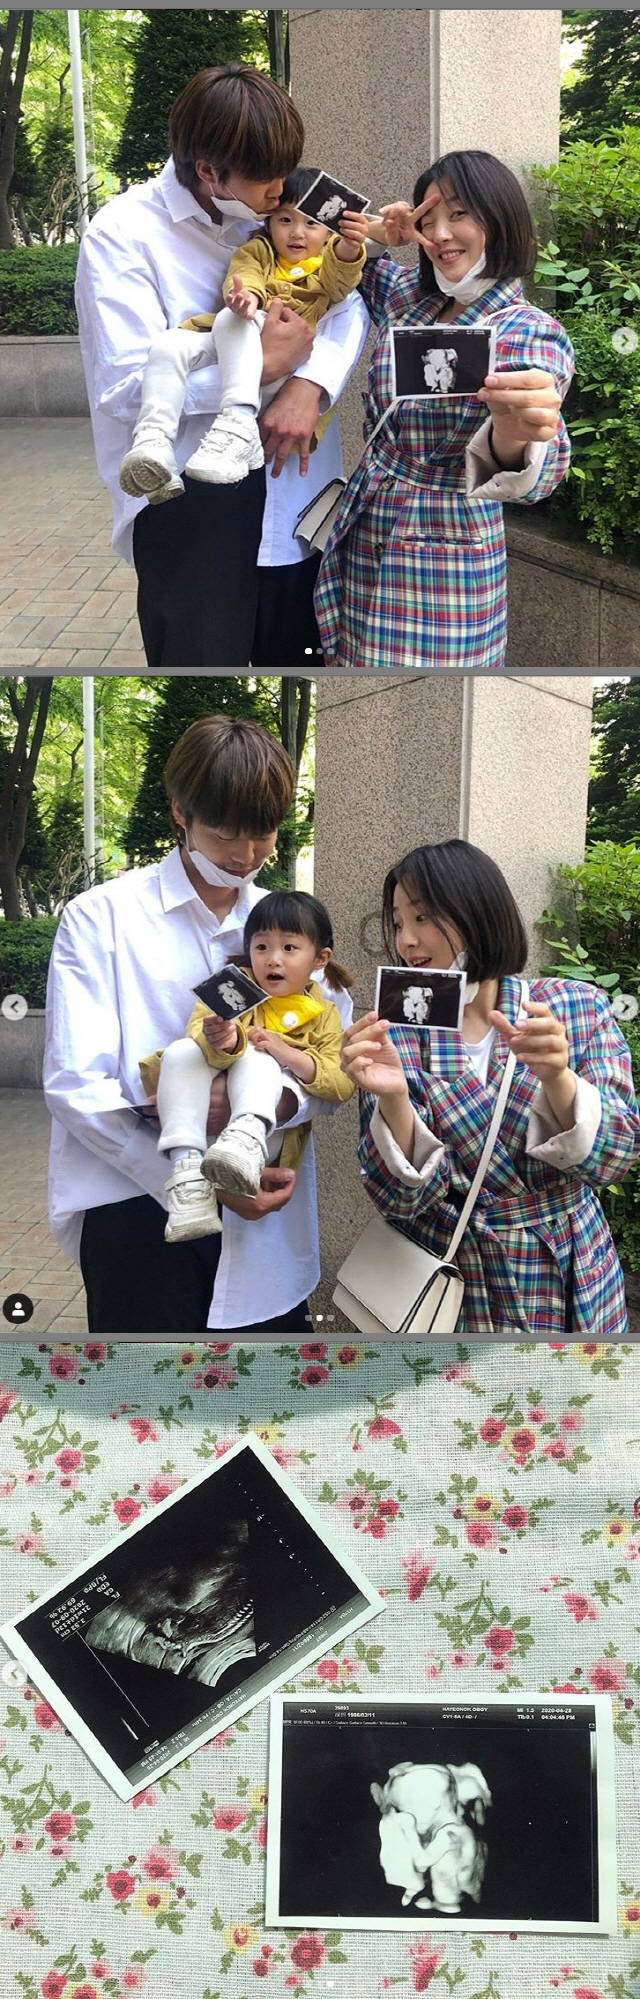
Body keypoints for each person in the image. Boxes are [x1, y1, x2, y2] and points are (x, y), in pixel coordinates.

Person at [43, 716, 353, 1337]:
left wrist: (273, 1102)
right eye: (225, 832)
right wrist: (185, 1182)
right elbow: (75, 1084)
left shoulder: (289, 926)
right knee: (151, 1391)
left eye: (262, 832)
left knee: (269, 1387)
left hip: (266, 1214)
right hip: (136, 1206)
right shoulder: (101, 919)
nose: (245, 854)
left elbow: (332, 1068)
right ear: (181, 812)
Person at [74, 65, 369, 673]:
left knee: (299, 658)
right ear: (209, 172)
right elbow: (124, 390)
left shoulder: (276, 213)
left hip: (298, 497)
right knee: (201, 660)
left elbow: (346, 302)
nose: (283, 194)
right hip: (188, 503)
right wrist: (261, 370)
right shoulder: (124, 235)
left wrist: (308, 383)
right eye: (268, 181)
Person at [340, 839, 640, 1336]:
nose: (406, 940)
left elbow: (618, 1158)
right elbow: (399, 1201)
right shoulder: (396, 1033)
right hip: (457, 1282)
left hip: (570, 1268)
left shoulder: (573, 1006)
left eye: (423, 917)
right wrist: (392, 1098)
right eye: (397, 923)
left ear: (477, 912)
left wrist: (559, 1078)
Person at [314, 151, 575, 672]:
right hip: (366, 521)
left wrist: (517, 430)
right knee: (345, 662)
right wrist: (380, 231)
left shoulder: (529, 331)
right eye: (427, 220)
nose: (439, 234)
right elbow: (353, 260)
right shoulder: (413, 298)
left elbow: (537, 460)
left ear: (499, 217)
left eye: (458, 214)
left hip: (442, 559)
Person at [119, 168, 366, 495]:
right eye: (285, 220)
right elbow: (244, 274)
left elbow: (341, 283)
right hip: (237, 339)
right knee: (170, 345)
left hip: (286, 363)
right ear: (268, 222)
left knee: (230, 319)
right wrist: (247, 296)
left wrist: (349, 248)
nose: (297, 233)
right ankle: (153, 441)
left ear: (329, 232)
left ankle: (238, 422)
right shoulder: (258, 251)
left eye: (311, 223)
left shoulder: (325, 265)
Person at [140, 889, 355, 1239]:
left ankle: (244, 1139)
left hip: (264, 1141)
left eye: (289, 948)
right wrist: (223, 1039)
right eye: (262, 947)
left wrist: (289, 1054)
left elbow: (341, 1083)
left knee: (259, 1054)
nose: (273, 959)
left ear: (320, 958)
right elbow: (197, 1031)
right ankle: (187, 1170)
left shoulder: (325, 1013)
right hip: (198, 1129)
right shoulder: (232, 987)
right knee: (182, 1051)